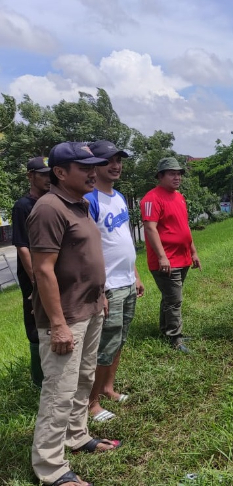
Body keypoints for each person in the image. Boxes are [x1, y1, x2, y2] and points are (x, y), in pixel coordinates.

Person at [27, 142, 121, 486]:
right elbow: (43, 271)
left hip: (90, 307)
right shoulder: (49, 208)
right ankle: (50, 469)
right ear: (61, 172)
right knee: (59, 391)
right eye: (85, 168)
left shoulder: (79, 203)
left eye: (94, 166)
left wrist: (100, 296)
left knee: (83, 380)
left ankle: (77, 436)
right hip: (66, 318)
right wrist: (57, 324)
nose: (93, 173)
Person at [85, 140, 145, 422]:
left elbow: (122, 240)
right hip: (108, 286)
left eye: (119, 160)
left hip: (127, 281)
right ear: (92, 166)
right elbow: (89, 249)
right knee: (104, 345)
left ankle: (108, 388)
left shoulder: (118, 196)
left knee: (119, 340)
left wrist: (136, 275)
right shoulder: (90, 200)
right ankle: (91, 402)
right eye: (108, 160)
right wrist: (101, 290)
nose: (116, 165)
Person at [140, 157, 201, 353]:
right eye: (172, 173)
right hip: (166, 260)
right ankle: (175, 337)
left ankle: (166, 329)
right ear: (160, 176)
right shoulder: (151, 198)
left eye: (179, 174)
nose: (177, 177)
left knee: (169, 297)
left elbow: (184, 227)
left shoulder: (179, 197)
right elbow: (150, 229)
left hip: (182, 257)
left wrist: (193, 252)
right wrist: (162, 257)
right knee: (174, 299)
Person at [12, 156, 51, 388]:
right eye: (42, 174)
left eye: (50, 174)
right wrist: (36, 282)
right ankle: (39, 380)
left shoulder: (52, 201)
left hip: (54, 273)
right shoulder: (23, 206)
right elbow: (23, 247)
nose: (48, 179)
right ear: (30, 176)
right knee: (36, 324)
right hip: (34, 276)